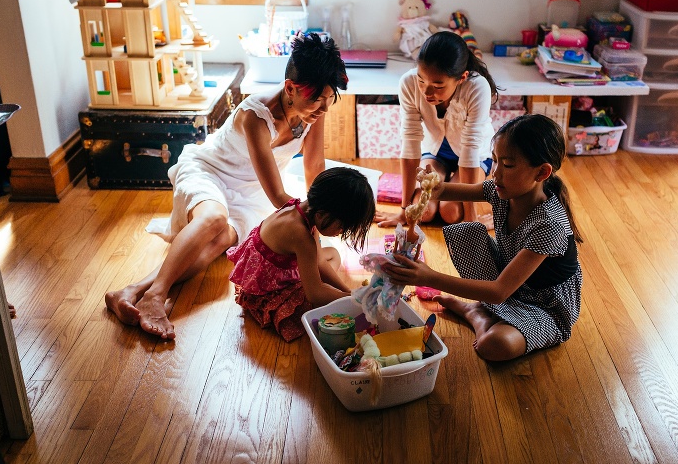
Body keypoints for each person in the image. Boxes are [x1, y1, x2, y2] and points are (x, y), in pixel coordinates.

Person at [104, 33, 348, 340]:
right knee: (214, 219)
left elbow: (314, 168)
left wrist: (321, 209)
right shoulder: (255, 115)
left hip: (250, 190)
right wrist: (307, 223)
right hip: (210, 171)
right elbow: (276, 196)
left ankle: (131, 290)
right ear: (290, 88)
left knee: (221, 239)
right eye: (317, 101)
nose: (323, 110)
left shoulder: (313, 111)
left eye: (329, 101)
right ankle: (156, 296)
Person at [382, 114, 583, 362]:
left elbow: (499, 291)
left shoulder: (549, 225)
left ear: (541, 172)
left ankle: (477, 314)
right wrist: (431, 183)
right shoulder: (502, 190)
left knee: (494, 345)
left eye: (507, 165)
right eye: (495, 161)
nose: (495, 174)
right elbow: (443, 190)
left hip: (544, 307)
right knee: (465, 231)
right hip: (511, 283)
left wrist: (429, 276)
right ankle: (484, 309)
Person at [228, 167, 375, 341]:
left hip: (279, 269)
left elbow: (320, 261)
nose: (341, 232)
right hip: (265, 290)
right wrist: (356, 300)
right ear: (323, 215)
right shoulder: (300, 234)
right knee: (312, 304)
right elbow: (314, 294)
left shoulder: (305, 209)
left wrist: (350, 293)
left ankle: (332, 291)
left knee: (333, 254)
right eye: (342, 226)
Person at [375, 30, 498, 229]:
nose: (426, 91)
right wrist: (404, 210)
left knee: (450, 212)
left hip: (475, 155)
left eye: (438, 86)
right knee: (424, 212)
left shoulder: (477, 87)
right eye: (422, 80)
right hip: (434, 151)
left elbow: (470, 150)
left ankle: (458, 203)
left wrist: (471, 217)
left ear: (461, 78)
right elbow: (410, 141)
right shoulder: (408, 82)